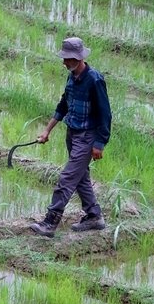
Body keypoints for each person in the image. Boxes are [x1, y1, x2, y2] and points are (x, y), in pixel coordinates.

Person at [29, 37, 112, 238]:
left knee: (66, 179)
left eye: (67, 59)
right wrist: (47, 130)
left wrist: (99, 143)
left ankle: (50, 223)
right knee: (81, 178)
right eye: (64, 58)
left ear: (78, 58)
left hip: (87, 136)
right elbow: (63, 106)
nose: (64, 63)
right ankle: (94, 216)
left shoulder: (94, 80)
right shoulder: (71, 77)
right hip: (72, 133)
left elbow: (105, 114)